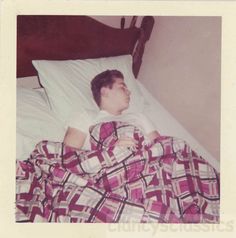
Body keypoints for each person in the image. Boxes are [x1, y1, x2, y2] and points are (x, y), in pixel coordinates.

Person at [63, 69, 160, 150]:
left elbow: (162, 148)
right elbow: (68, 156)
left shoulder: (139, 117)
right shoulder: (86, 116)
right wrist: (111, 153)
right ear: (104, 91)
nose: (129, 92)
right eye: (122, 87)